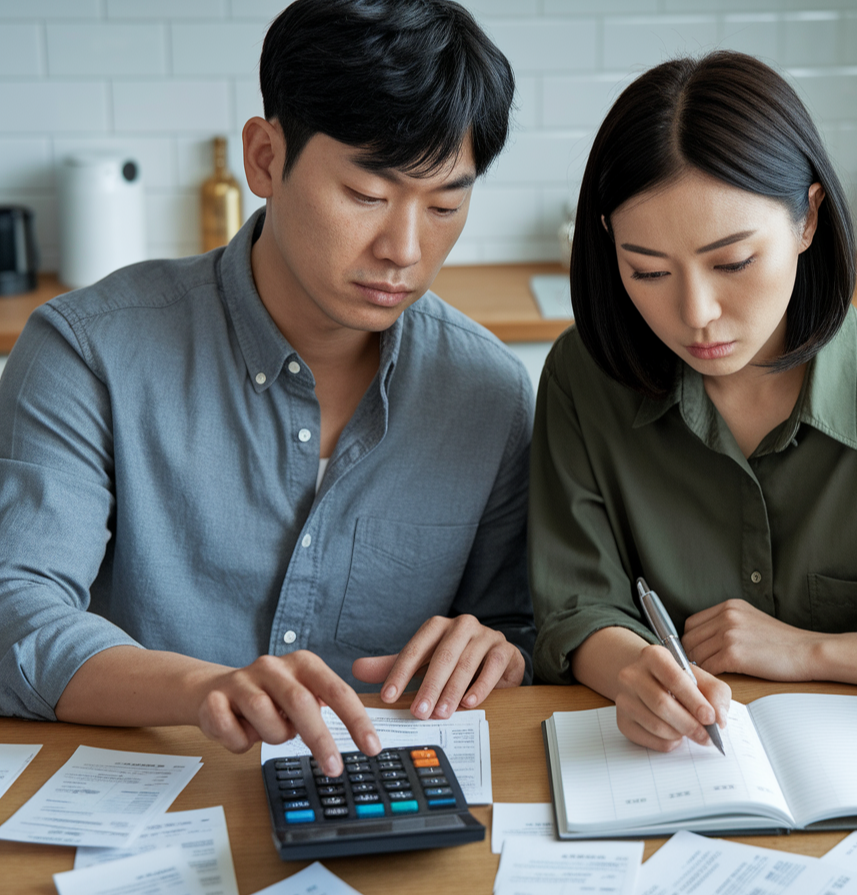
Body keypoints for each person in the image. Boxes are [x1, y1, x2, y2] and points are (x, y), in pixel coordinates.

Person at [0, 0, 536, 778]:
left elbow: (516, 628)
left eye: (446, 205)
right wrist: (203, 689)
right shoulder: (86, 351)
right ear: (264, 159)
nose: (405, 250)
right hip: (152, 799)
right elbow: (17, 613)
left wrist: (501, 650)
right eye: (367, 195)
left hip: (384, 812)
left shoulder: (488, 392)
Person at [529, 51, 857, 753]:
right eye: (647, 270)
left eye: (732, 262)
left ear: (807, 220)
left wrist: (809, 651)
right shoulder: (584, 380)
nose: (695, 311)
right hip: (672, 777)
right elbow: (578, 607)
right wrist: (634, 671)